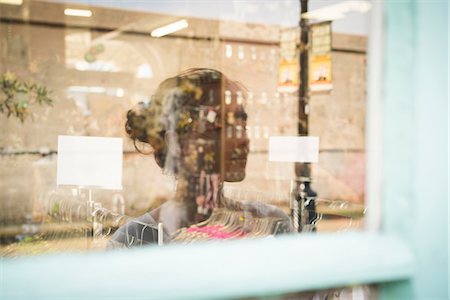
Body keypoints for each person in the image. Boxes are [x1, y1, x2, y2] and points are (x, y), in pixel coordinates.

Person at [107, 68, 291, 249]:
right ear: (176, 142)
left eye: (242, 126)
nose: (242, 139)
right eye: (221, 126)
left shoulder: (271, 225)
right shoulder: (136, 240)